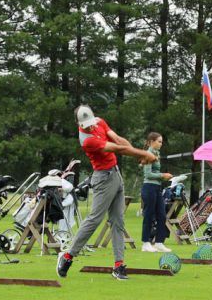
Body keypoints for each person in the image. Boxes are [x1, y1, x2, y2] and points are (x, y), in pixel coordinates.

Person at [56, 105, 156, 281]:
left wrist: (140, 156)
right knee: (94, 219)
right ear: (79, 124)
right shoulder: (87, 140)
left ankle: (119, 265)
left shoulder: (99, 122)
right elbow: (118, 149)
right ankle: (67, 256)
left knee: (118, 221)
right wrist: (143, 154)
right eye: (86, 125)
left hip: (116, 174)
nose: (90, 127)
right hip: (102, 179)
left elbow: (118, 140)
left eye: (90, 123)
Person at [140, 132, 173, 253]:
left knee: (162, 215)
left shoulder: (156, 153)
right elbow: (148, 174)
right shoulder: (148, 154)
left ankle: (159, 242)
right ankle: (145, 243)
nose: (161, 144)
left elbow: (155, 174)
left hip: (157, 188)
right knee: (149, 215)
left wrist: (164, 177)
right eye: (159, 141)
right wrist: (162, 175)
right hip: (149, 188)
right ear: (151, 142)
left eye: (161, 142)